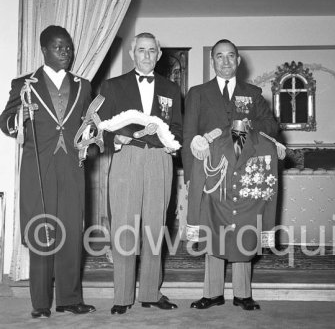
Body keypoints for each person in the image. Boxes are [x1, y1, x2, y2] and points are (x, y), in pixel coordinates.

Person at [0, 25, 95, 318]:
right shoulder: (24, 83)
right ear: (44, 50)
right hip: (38, 168)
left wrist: (90, 136)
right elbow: (5, 122)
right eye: (58, 47)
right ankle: (40, 303)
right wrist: (20, 116)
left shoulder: (84, 84)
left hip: (72, 167)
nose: (65, 52)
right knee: (42, 232)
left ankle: (69, 298)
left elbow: (88, 123)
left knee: (70, 231)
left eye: (68, 47)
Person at [183, 39, 279, 311]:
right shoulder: (198, 93)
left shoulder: (254, 92)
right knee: (214, 229)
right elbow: (189, 134)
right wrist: (191, 177)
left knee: (243, 227)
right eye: (219, 57)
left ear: (238, 61)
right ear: (212, 61)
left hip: (244, 170)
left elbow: (272, 126)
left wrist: (248, 124)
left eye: (230, 56)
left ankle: (243, 293)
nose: (225, 62)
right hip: (212, 174)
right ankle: (212, 292)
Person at [98, 32, 182, 315]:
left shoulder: (171, 88)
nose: (146, 55)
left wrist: (174, 146)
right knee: (124, 225)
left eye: (151, 51)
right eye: (141, 50)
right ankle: (122, 296)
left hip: (160, 159)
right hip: (126, 158)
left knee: (155, 227)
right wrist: (114, 141)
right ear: (132, 53)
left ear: (159, 55)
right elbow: (98, 129)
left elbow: (179, 128)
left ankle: (150, 291)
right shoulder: (113, 86)